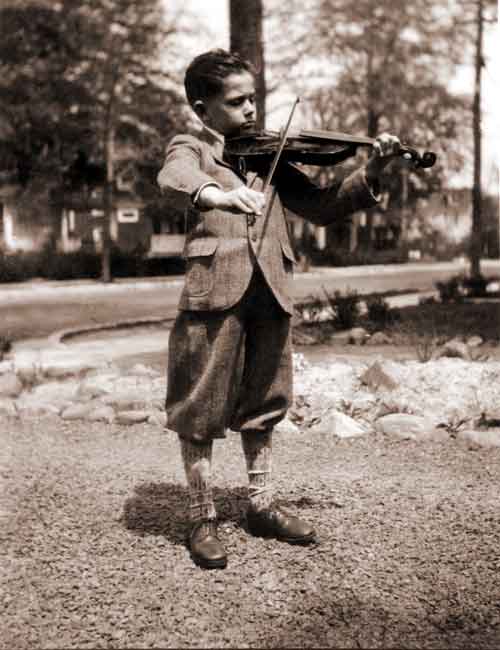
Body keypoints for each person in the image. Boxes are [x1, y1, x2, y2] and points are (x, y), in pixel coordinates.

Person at [157, 49, 400, 570]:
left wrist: (373, 169)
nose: (250, 110)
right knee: (200, 403)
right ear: (203, 110)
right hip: (214, 289)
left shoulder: (268, 154)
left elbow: (322, 205)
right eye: (237, 101)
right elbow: (174, 176)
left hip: (270, 286)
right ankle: (201, 516)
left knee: (266, 396)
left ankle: (260, 505)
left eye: (253, 99)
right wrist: (218, 195)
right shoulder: (193, 146)